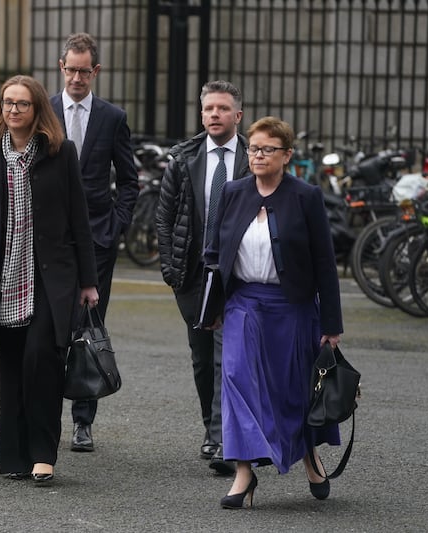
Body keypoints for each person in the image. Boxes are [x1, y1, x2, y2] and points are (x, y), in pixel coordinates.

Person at [0, 75, 98, 483]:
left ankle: (43, 453)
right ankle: (12, 456)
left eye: (22, 104)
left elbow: (79, 220)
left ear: (37, 111)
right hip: (3, 278)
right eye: (7, 103)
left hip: (51, 280)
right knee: (13, 367)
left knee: (42, 361)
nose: (13, 111)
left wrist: (89, 281)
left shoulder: (60, 152)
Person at [203, 116, 343, 508]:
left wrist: (332, 324)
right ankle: (244, 474)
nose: (258, 155)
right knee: (236, 379)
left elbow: (325, 262)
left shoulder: (306, 196)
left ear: (287, 155)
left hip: (293, 307)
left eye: (267, 149)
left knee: (292, 389)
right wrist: (213, 306)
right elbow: (213, 252)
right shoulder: (232, 192)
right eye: (253, 148)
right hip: (243, 305)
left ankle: (309, 455)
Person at [50, 32, 138, 453]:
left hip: (99, 238)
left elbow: (130, 180)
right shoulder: (44, 111)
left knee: (89, 326)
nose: (78, 77)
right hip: (49, 238)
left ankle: (83, 422)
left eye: (85, 71)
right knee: (49, 324)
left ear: (96, 71)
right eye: (72, 70)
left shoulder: (112, 117)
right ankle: (47, 411)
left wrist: (117, 224)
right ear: (61, 68)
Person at [155, 80, 248, 476]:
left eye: (222, 109)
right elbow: (164, 216)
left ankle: (223, 436)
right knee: (201, 357)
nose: (214, 115)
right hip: (193, 273)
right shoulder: (183, 158)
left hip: (239, 275)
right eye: (208, 108)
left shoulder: (251, 156)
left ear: (237, 116)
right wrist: (172, 271)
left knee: (228, 357)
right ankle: (212, 428)